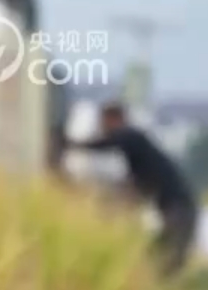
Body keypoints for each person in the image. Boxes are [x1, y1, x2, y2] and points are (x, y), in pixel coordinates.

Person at [71, 102, 200, 279]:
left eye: (104, 124)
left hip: (181, 210)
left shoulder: (132, 136)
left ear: (114, 120)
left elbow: (107, 143)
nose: (103, 129)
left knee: (169, 260)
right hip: (177, 208)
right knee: (156, 258)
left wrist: (73, 145)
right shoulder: (138, 155)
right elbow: (134, 187)